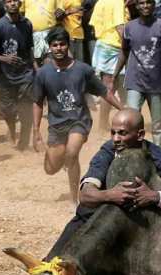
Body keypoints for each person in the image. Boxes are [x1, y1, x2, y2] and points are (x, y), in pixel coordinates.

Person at [45, 107, 161, 259]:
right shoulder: (108, 151)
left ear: (140, 135)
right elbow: (85, 195)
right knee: (85, 211)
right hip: (105, 221)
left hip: (143, 229)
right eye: (113, 132)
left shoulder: (160, 159)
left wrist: (154, 197)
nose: (116, 139)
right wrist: (110, 195)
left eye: (123, 133)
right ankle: (50, 264)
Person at [32, 27, 123, 205]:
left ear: (68, 46)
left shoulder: (83, 70)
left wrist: (123, 108)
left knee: (72, 153)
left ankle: (76, 198)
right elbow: (37, 102)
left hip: (79, 121)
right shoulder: (42, 73)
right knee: (51, 168)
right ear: (49, 47)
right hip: (56, 124)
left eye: (62, 44)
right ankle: (56, 158)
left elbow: (105, 92)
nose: (59, 48)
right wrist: (36, 131)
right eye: (55, 45)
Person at [112, 0, 161, 150]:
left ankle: (159, 159)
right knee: (130, 122)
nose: (145, 6)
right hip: (134, 82)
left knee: (158, 125)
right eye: (141, 3)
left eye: (149, 2)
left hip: (155, 84)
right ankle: (130, 155)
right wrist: (114, 75)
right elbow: (124, 52)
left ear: (154, 4)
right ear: (136, 6)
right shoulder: (129, 27)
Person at [0, 0, 35, 151]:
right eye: (9, 1)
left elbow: (29, 48)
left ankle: (24, 142)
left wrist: (34, 68)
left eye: (15, 1)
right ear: (4, 5)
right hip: (4, 75)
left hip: (25, 73)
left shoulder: (27, 24)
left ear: (20, 3)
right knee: (8, 110)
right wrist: (4, 58)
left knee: (26, 107)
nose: (13, 4)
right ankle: (12, 130)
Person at [89, 0, 129, 131]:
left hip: (103, 45)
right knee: (109, 89)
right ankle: (103, 124)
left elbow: (95, 26)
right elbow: (119, 28)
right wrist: (128, 47)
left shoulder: (101, 2)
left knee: (109, 88)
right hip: (113, 47)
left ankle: (104, 123)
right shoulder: (117, 2)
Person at [21, 0, 58, 65]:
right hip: (32, 34)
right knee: (34, 62)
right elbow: (20, 13)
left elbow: (60, 11)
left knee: (51, 62)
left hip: (50, 33)